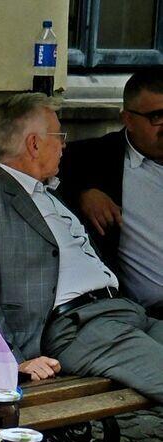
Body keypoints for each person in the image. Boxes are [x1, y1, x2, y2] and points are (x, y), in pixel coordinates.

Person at [0, 92, 163, 400]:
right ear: (34, 144)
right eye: (59, 137)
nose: (64, 146)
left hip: (126, 312)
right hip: (78, 326)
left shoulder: (53, 194)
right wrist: (13, 358)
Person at [58, 68, 163, 314]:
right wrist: (83, 192)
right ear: (128, 119)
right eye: (157, 116)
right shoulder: (95, 159)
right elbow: (41, 170)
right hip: (145, 313)